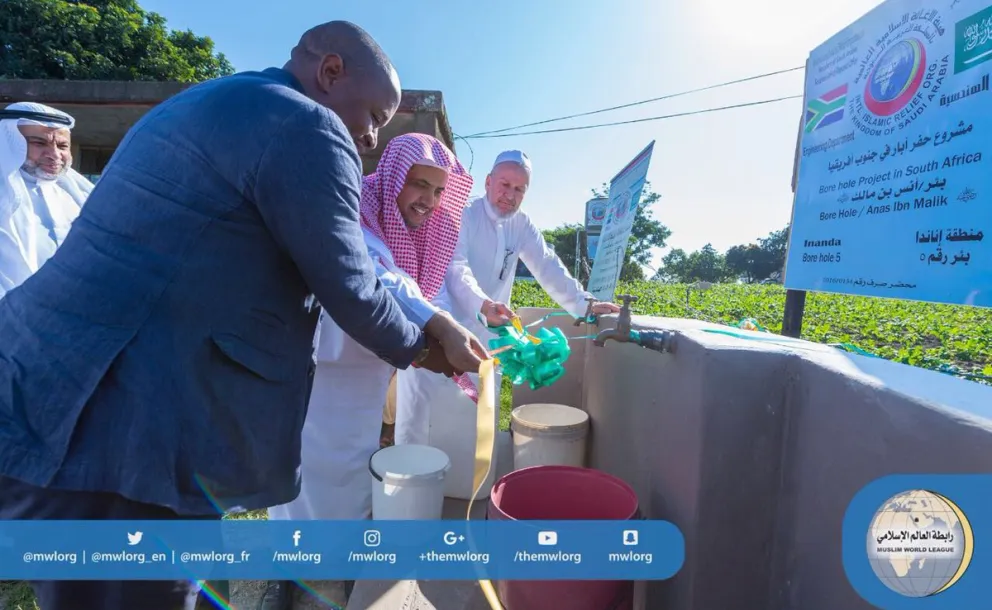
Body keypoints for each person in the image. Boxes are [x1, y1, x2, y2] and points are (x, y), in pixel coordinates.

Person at [0, 21, 486, 610]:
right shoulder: (305, 124)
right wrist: (430, 348)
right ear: (331, 73)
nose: (370, 139)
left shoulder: (209, 103)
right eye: (376, 117)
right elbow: (353, 283)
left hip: (84, 401)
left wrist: (430, 324)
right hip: (111, 427)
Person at [262, 132, 476, 609]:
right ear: (394, 177)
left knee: (352, 476)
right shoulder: (354, 212)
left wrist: (451, 330)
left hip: (364, 376)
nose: (430, 201)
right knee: (305, 483)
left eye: (441, 192)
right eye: (420, 185)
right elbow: (380, 277)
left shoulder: (414, 233)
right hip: (319, 373)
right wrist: (441, 328)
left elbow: (420, 289)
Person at [393, 150, 620, 445]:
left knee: (472, 434)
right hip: (440, 334)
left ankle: (468, 490)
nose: (509, 195)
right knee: (423, 430)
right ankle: (415, 488)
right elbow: (455, 269)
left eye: (519, 189)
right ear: (488, 182)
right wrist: (483, 305)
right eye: (504, 185)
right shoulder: (462, 213)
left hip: (489, 344)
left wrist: (584, 303)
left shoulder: (521, 224)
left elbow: (547, 264)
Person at [0, 102, 93, 299]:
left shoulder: (81, 195)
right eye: (39, 143)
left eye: (62, 145)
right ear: (9, 142)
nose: (54, 155)